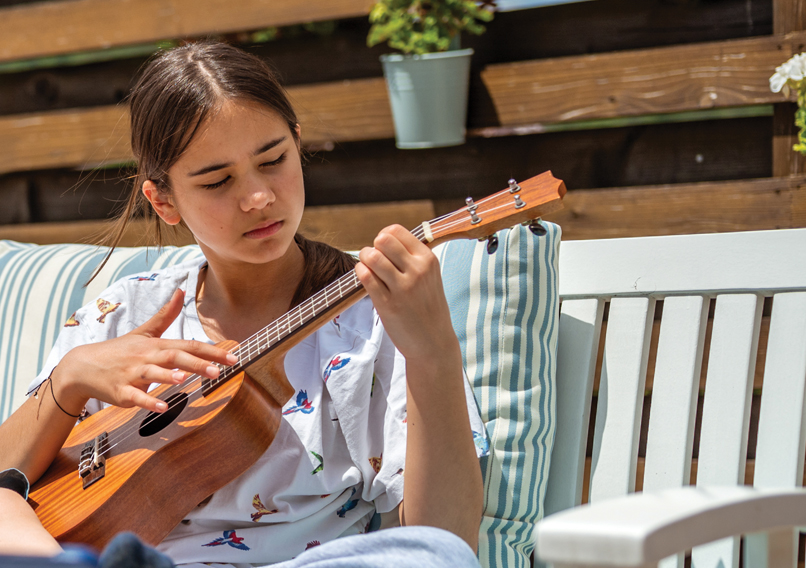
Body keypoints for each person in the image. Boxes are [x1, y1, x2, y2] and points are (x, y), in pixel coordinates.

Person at [0, 41, 485, 568]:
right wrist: (71, 376)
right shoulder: (125, 308)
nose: (258, 196)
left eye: (273, 160)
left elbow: (449, 538)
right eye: (218, 180)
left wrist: (432, 349)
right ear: (163, 201)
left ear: (298, 146)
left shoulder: (377, 319)